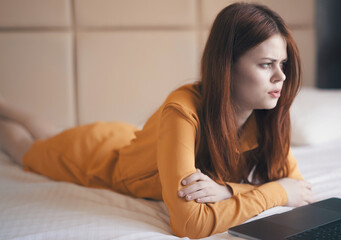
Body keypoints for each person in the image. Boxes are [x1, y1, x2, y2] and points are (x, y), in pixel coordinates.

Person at [0, 2, 313, 238]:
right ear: (226, 67)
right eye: (266, 64)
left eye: (283, 64)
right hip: (95, 156)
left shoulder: (268, 116)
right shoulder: (182, 109)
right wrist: (276, 192)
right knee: (23, 147)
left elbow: (299, 188)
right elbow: (189, 223)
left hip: (130, 137)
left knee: (51, 134)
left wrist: (227, 191)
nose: (281, 76)